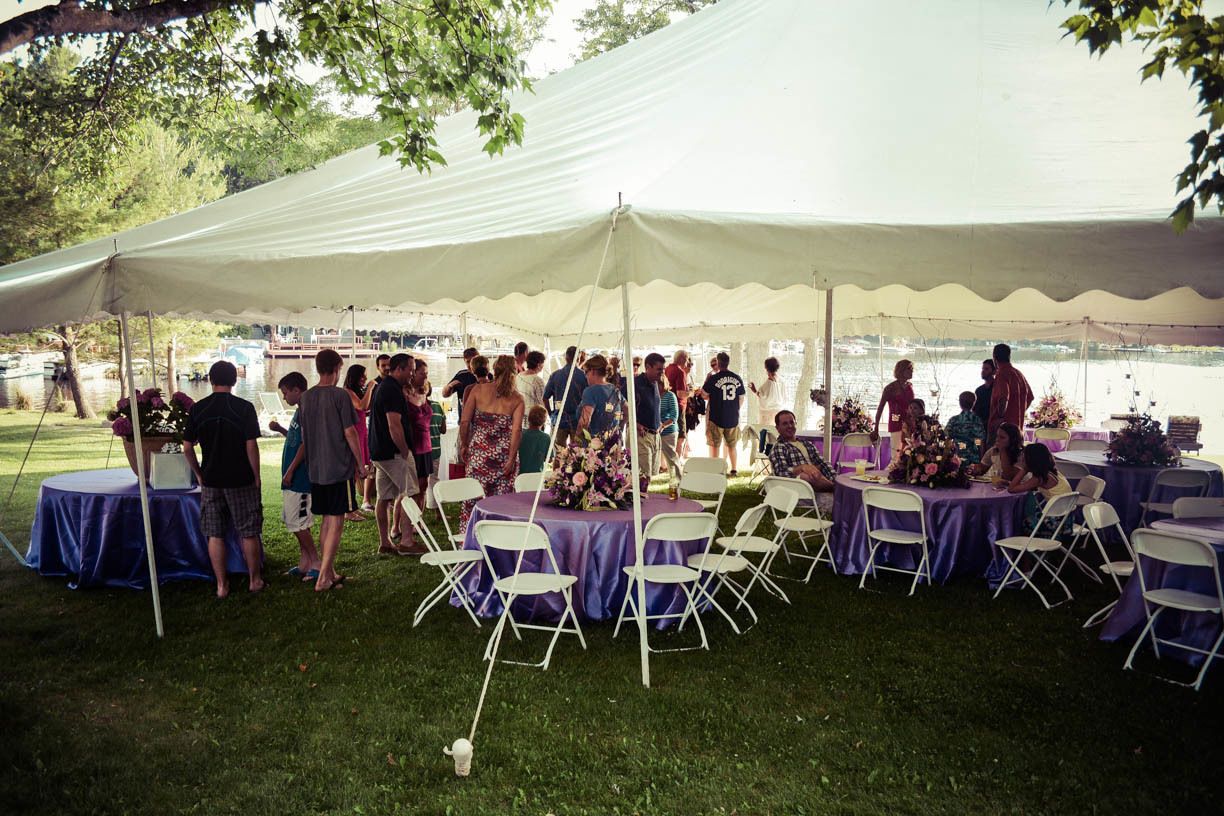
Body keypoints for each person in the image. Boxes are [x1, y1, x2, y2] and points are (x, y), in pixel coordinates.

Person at [182, 360, 264, 598]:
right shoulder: (244, 407)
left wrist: (199, 473)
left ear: (210, 379)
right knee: (248, 530)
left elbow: (187, 447)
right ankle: (254, 580)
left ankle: (221, 585)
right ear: (234, 380)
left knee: (214, 532)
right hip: (241, 478)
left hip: (211, 479)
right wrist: (256, 476)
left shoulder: (198, 409)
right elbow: (251, 446)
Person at [298, 349, 367, 590]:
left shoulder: (305, 398)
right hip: (338, 467)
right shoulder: (340, 396)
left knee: (327, 519)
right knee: (336, 521)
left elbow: (305, 435)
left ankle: (328, 571)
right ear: (337, 368)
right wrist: (360, 464)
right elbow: (350, 432)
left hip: (316, 468)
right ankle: (324, 576)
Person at [459, 355, 524, 527]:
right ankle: (500, 542)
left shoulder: (478, 390)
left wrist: (464, 445)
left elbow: (465, 422)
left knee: (474, 500)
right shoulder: (517, 399)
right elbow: (517, 431)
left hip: (479, 454)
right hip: (504, 457)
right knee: (502, 502)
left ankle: (471, 537)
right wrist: (511, 458)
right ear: (514, 372)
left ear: (494, 370)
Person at [269, 372, 321, 582]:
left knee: (297, 521)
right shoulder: (300, 411)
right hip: (293, 478)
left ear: (297, 390)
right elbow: (295, 438)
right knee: (296, 521)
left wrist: (290, 471)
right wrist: (280, 429)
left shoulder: (307, 410)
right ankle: (305, 562)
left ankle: (316, 562)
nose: (284, 398)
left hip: (300, 479)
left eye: (285, 393)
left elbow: (306, 444)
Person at [367, 353, 420, 555]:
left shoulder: (385, 387)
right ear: (399, 369)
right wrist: (405, 451)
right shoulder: (392, 390)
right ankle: (407, 541)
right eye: (410, 369)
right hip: (393, 452)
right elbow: (393, 425)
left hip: (379, 452)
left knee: (384, 497)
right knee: (411, 493)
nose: (412, 373)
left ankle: (385, 542)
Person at [768, 409, 836, 513]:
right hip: (798, 489)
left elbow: (822, 463)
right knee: (805, 476)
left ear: (795, 423)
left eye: (792, 422)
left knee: (842, 496)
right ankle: (836, 488)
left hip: (818, 481)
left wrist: (834, 477)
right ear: (778, 428)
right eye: (785, 424)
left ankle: (836, 486)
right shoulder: (779, 448)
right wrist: (802, 468)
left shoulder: (807, 444)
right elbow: (781, 473)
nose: (790, 426)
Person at [699, 351, 746, 476]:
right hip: (732, 417)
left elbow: (703, 394)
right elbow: (741, 397)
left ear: (718, 363)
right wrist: (735, 409)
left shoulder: (713, 378)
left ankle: (716, 470)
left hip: (716, 417)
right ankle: (734, 469)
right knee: (732, 445)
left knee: (715, 445)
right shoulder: (737, 378)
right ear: (728, 362)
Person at [1008, 442, 1073, 532]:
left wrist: (1024, 470)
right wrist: (1007, 482)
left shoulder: (1039, 478)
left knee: (1021, 520)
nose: (1022, 459)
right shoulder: (1051, 472)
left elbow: (1011, 489)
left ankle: (1030, 542)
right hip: (1067, 518)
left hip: (1056, 522)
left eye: (1024, 457)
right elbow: (1024, 486)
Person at [343, 364, 376, 517]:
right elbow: (361, 405)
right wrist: (370, 387)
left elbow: (364, 408)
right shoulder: (348, 392)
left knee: (358, 468)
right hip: (354, 433)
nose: (365, 378)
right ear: (355, 377)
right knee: (353, 469)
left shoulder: (355, 392)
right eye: (362, 376)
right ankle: (349, 508)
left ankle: (353, 506)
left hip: (362, 432)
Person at [871, 359, 914, 468]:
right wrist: (876, 428)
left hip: (910, 425)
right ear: (901, 370)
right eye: (909, 369)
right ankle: (889, 476)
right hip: (896, 423)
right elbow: (880, 408)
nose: (912, 372)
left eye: (912, 369)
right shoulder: (890, 388)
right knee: (896, 456)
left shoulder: (910, 386)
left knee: (908, 454)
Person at [405, 359, 435, 514]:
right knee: (410, 489)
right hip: (413, 446)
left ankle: (418, 520)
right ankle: (397, 525)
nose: (425, 376)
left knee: (423, 486)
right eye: (422, 373)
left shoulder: (424, 394)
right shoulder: (405, 394)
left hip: (426, 446)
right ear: (413, 373)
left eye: (426, 373)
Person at [543, 345, 588, 448]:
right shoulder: (584, 376)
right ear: (579, 358)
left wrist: (551, 414)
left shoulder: (555, 375)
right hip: (578, 422)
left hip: (559, 419)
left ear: (566, 357)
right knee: (578, 456)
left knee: (559, 455)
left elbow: (545, 398)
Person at [988, 343, 1034, 438]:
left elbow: (1003, 398)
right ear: (1009, 356)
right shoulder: (1018, 374)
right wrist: (1017, 412)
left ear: (994, 357)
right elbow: (1030, 397)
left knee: (997, 452)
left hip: (1003, 431)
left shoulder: (1001, 374)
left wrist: (1001, 418)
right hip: (1017, 428)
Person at [633, 352, 666, 481]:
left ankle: (648, 500)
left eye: (662, 369)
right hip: (642, 435)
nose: (662, 372)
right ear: (648, 367)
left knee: (651, 475)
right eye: (659, 369)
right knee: (642, 477)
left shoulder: (655, 383)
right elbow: (623, 408)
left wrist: (660, 424)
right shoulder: (635, 383)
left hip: (655, 435)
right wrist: (635, 424)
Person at [577, 354, 625, 439]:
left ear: (593, 371)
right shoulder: (615, 389)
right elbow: (627, 410)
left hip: (594, 446)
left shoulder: (590, 391)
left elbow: (585, 421)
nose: (586, 376)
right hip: (612, 443)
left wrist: (577, 441)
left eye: (586, 372)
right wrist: (619, 428)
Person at [749, 356, 787, 448]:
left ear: (766, 368)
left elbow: (762, 396)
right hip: (779, 412)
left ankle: (766, 454)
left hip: (766, 413)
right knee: (776, 435)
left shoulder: (768, 383)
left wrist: (754, 390)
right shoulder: (781, 381)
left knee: (765, 436)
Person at [945, 391, 987, 464]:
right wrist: (982, 459)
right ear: (974, 403)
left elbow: (947, 437)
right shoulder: (977, 420)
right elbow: (980, 441)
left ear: (960, 403)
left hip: (956, 456)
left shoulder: (954, 420)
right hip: (973, 457)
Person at [425, 382, 447, 516]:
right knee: (433, 480)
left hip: (419, 451)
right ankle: (438, 512)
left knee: (418, 481)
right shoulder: (437, 406)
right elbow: (443, 430)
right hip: (435, 449)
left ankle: (418, 511)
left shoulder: (414, 406)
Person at [442, 347, 479, 418]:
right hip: (464, 420)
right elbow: (444, 394)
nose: (471, 364)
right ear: (464, 361)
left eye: (473, 361)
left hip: (483, 422)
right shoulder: (461, 375)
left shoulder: (488, 376)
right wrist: (451, 385)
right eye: (468, 362)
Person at [664, 350, 690, 452]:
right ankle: (677, 462)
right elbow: (680, 393)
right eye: (687, 359)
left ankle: (664, 464)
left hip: (666, 405)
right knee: (681, 436)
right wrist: (691, 393)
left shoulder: (666, 369)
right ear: (683, 359)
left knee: (668, 434)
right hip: (678, 407)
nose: (687, 362)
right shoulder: (680, 372)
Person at [658, 373, 682, 479]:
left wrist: (663, 426)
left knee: (671, 458)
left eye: (659, 384)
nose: (657, 386)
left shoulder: (670, 395)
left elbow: (674, 417)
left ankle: (677, 479)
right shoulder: (654, 396)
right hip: (656, 431)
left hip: (669, 431)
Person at [515, 350, 546, 427]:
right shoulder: (537, 380)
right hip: (534, 418)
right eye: (543, 363)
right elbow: (540, 401)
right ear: (538, 364)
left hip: (520, 415)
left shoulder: (519, 376)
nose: (543, 366)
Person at [518, 406, 551, 474]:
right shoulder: (546, 438)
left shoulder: (520, 434)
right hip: (536, 476)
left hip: (519, 475)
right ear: (544, 421)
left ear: (528, 418)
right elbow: (549, 459)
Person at [973, 359, 995, 429]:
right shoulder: (979, 390)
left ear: (994, 371)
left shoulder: (997, 389)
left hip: (993, 425)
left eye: (986, 369)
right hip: (980, 426)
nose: (983, 371)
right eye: (982, 368)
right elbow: (975, 410)